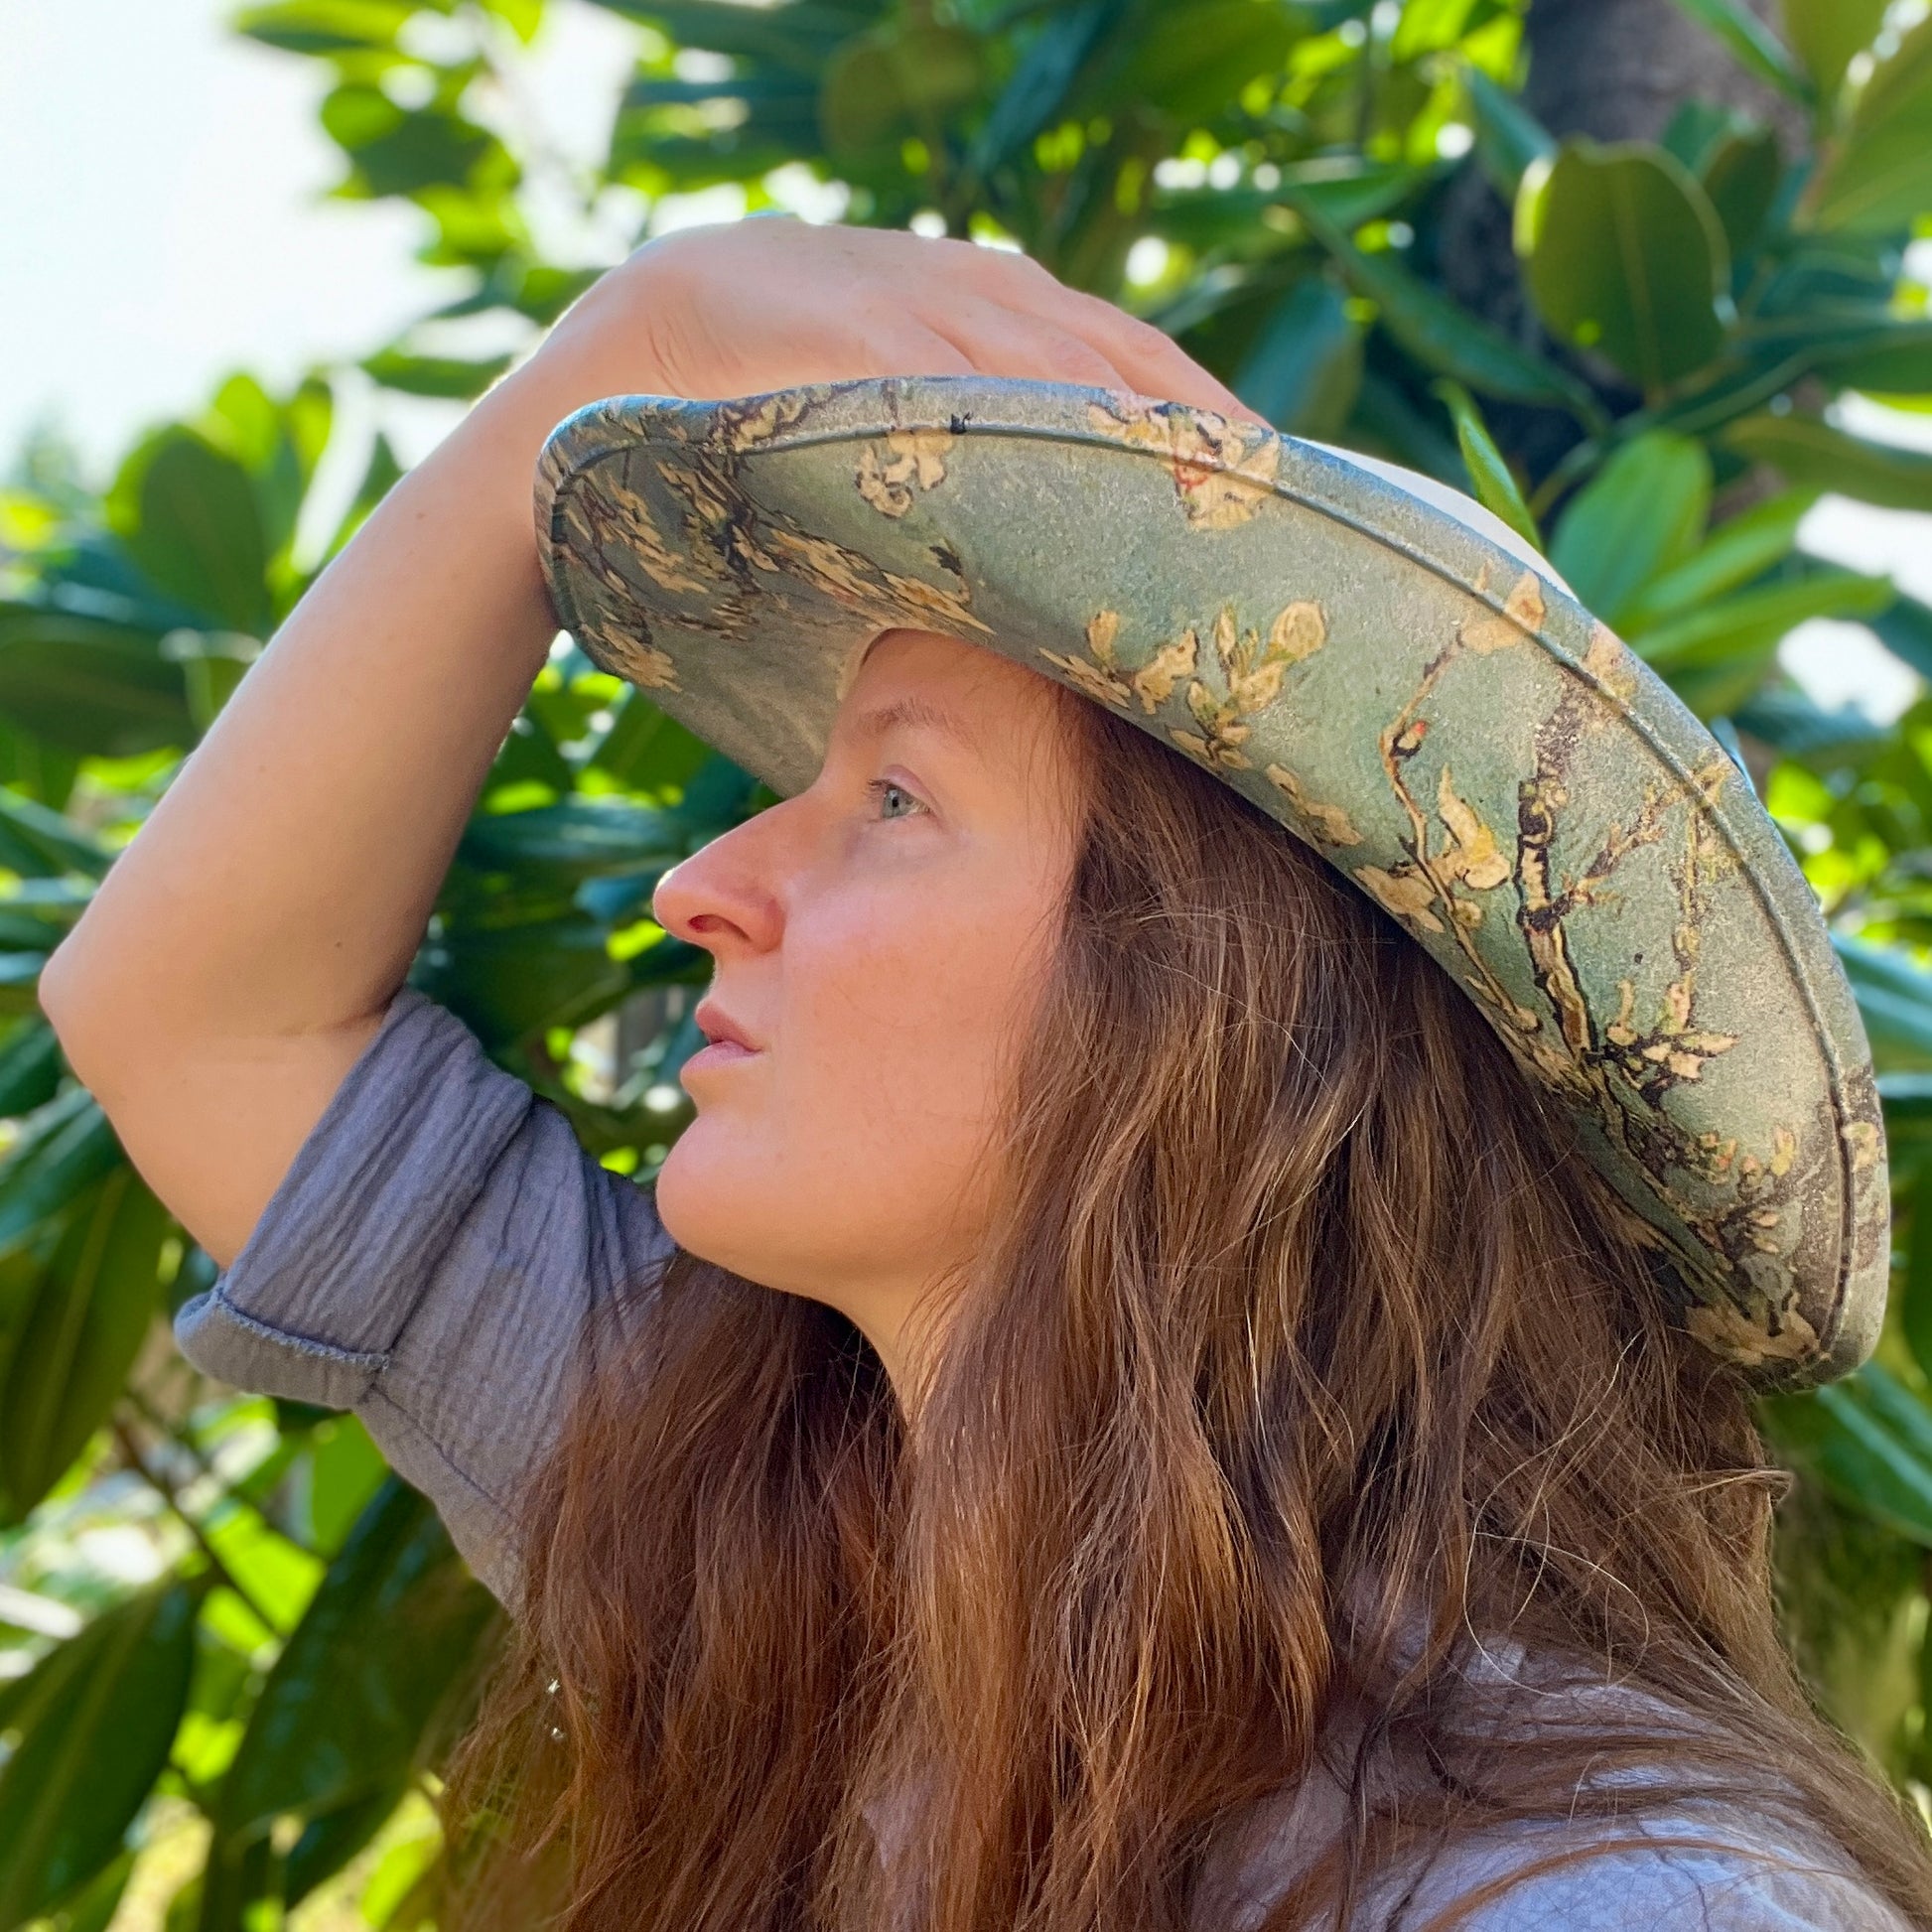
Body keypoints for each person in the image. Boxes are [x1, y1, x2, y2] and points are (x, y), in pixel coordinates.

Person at [39, 215, 1932, 1931]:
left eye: (891, 796)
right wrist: (639, 324)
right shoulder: (781, 1576)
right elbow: (190, 1013)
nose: (704, 888)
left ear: (1229, 1013)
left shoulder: (1603, 1901)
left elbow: (217, 1027)